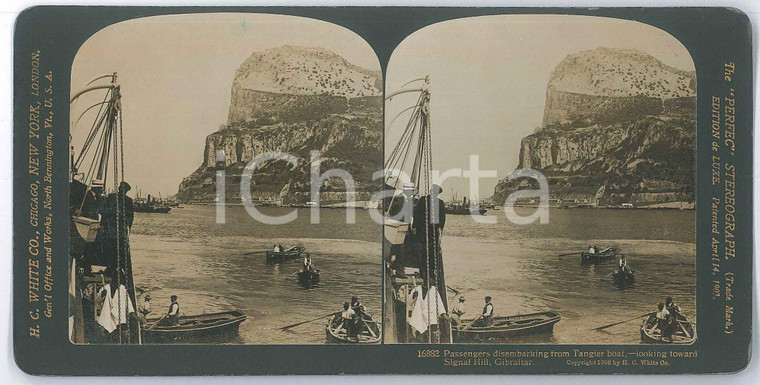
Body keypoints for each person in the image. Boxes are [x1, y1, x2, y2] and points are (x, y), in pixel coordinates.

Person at [95, 181, 134, 271]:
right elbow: (130, 217)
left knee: (112, 248)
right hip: (115, 228)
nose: (121, 190)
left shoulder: (114, 197)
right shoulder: (115, 198)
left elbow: (130, 216)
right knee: (113, 248)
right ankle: (114, 267)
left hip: (114, 228)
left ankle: (113, 267)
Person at [412, 184, 446, 287]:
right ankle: (427, 272)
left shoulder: (432, 202)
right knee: (427, 252)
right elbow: (417, 213)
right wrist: (415, 227)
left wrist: (440, 228)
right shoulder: (428, 201)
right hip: (427, 231)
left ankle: (426, 272)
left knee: (426, 252)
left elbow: (442, 217)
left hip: (428, 231)